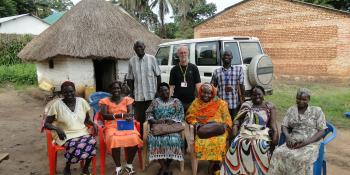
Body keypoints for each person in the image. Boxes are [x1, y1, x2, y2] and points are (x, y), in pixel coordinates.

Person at [268, 88, 327, 175]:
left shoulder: (317, 111)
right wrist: (288, 137)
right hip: (294, 140)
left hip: (311, 142)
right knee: (278, 153)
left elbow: (322, 131)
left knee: (303, 160)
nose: (300, 101)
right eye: (298, 98)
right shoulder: (291, 110)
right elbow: (284, 125)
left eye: (304, 99)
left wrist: (306, 142)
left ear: (309, 99)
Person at [220, 85, 278, 175]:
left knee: (260, 145)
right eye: (254, 95)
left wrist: (275, 136)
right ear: (251, 96)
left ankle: (259, 171)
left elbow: (273, 125)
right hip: (245, 132)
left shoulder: (269, 107)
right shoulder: (247, 105)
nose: (257, 96)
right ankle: (238, 171)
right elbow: (237, 119)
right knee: (238, 143)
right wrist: (235, 126)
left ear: (263, 94)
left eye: (259, 94)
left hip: (261, 133)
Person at [44, 81, 98, 175]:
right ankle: (67, 166)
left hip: (82, 132)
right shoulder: (56, 105)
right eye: (66, 92)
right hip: (65, 134)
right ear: (62, 93)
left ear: (75, 91)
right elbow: (46, 124)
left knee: (92, 142)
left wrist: (93, 124)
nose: (69, 94)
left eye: (71, 91)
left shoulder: (82, 102)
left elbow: (87, 119)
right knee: (75, 144)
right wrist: (57, 129)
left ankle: (85, 168)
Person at [186, 83, 232, 175]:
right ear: (200, 92)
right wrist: (196, 124)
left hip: (219, 129)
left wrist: (225, 126)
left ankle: (215, 164)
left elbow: (227, 119)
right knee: (201, 140)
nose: (206, 95)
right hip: (203, 130)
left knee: (220, 140)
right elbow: (189, 116)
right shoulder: (196, 103)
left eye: (209, 93)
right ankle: (214, 165)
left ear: (213, 93)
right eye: (204, 92)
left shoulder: (220, 103)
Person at [99, 81, 143, 175]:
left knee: (135, 138)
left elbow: (130, 113)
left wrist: (129, 116)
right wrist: (119, 115)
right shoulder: (105, 101)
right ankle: (118, 167)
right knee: (114, 139)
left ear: (121, 89)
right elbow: (104, 116)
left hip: (125, 124)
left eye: (118, 88)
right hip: (111, 125)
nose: (116, 90)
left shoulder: (127, 99)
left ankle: (129, 165)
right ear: (110, 90)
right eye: (114, 88)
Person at [145, 82, 185, 175]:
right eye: (161, 91)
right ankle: (164, 168)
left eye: (166, 90)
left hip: (172, 128)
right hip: (158, 128)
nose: (164, 92)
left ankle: (165, 165)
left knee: (175, 140)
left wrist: (174, 120)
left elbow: (181, 114)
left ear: (169, 90)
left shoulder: (176, 101)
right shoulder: (155, 102)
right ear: (159, 92)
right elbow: (148, 113)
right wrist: (154, 121)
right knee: (154, 140)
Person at [127, 41, 161, 136]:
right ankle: (142, 139)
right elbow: (130, 79)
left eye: (141, 47)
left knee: (153, 118)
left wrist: (157, 91)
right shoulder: (131, 61)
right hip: (138, 96)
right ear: (134, 49)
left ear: (144, 47)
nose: (139, 49)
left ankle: (153, 138)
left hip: (151, 95)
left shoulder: (152, 59)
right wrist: (132, 92)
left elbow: (158, 76)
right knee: (140, 119)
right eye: (137, 47)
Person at [211, 50, 244, 119]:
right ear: (222, 58)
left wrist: (242, 101)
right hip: (222, 104)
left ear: (232, 57)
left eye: (228, 55)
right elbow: (212, 87)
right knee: (224, 125)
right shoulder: (217, 71)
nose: (226, 57)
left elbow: (241, 86)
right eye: (224, 55)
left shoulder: (239, 70)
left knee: (234, 123)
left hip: (234, 104)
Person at [169, 45, 201, 112]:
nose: (183, 54)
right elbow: (171, 87)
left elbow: (198, 85)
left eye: (185, 52)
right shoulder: (174, 69)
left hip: (191, 102)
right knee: (179, 121)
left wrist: (200, 100)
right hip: (177, 102)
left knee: (190, 121)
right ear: (178, 54)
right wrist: (168, 101)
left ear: (188, 53)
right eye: (181, 53)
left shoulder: (194, 68)